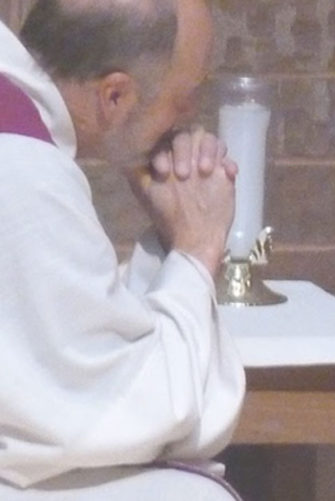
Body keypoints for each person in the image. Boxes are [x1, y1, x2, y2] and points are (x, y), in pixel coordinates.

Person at [0, 0, 245, 498]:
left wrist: (169, 243)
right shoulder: (25, 172)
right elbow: (120, 412)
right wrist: (197, 246)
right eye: (183, 99)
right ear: (114, 96)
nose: (188, 119)